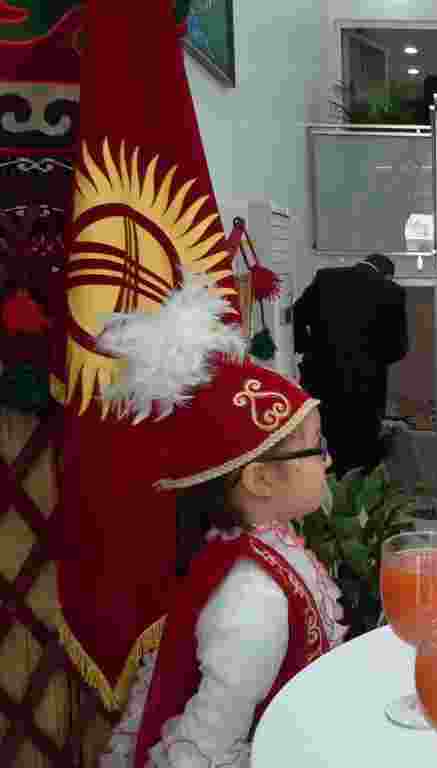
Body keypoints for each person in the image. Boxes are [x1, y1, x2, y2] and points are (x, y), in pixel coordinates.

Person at [98, 275, 346, 767]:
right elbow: (205, 749)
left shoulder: (263, 541)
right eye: (316, 448)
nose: (329, 459)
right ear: (260, 479)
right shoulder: (253, 598)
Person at [294, 253, 408, 476]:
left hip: (321, 377)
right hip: (365, 385)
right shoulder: (392, 291)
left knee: (322, 435)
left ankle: (322, 486)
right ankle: (354, 492)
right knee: (360, 445)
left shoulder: (326, 278)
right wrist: (372, 360)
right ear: (387, 274)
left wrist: (307, 346)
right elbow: (398, 348)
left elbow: (298, 314)